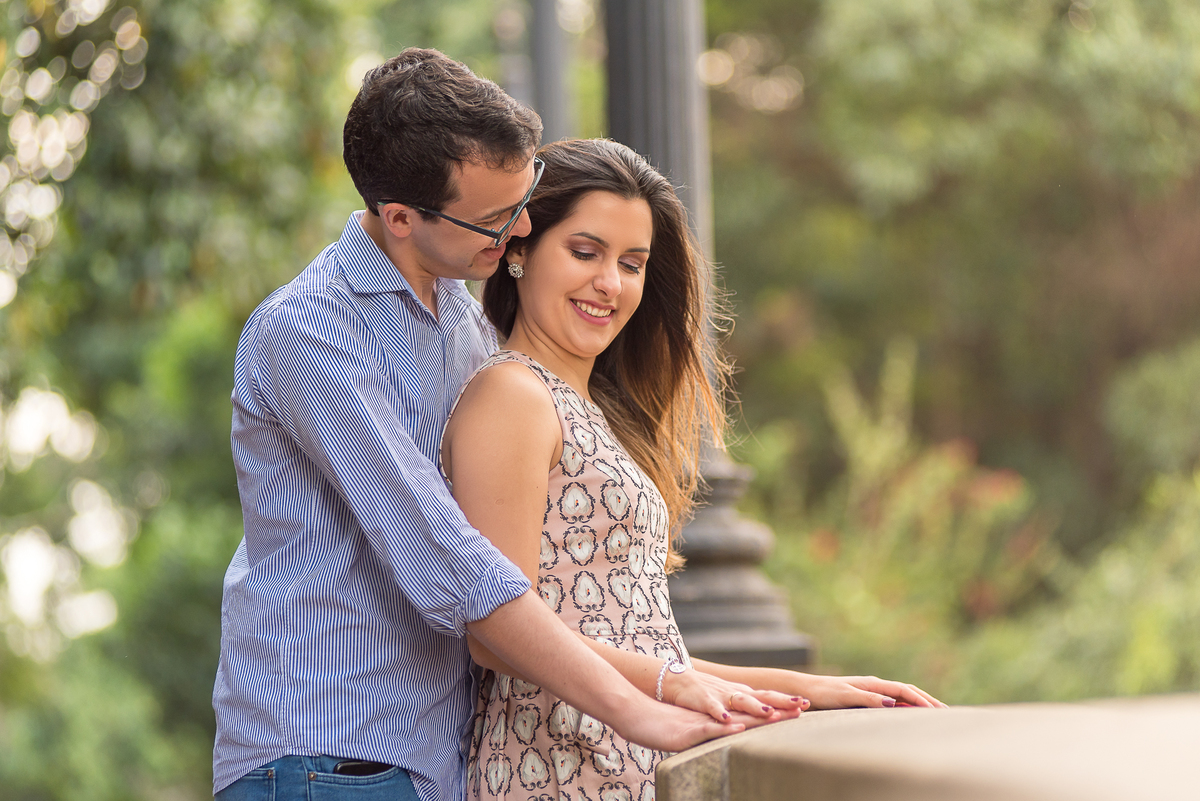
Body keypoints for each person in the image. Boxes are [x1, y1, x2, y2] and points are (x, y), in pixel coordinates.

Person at [212, 50, 748, 801]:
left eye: (524, 195)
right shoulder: (309, 332)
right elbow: (443, 556)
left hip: (435, 760)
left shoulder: (463, 323)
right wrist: (638, 705)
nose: (523, 225)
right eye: (497, 218)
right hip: (327, 758)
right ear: (400, 218)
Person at [439, 138, 946, 801]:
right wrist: (674, 687)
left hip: (632, 756)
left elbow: (632, 637)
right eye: (585, 252)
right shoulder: (512, 395)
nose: (610, 283)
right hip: (556, 766)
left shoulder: (584, 408)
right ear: (521, 249)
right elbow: (499, 635)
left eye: (632, 263)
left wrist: (806, 688)